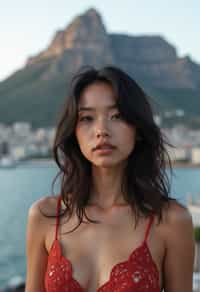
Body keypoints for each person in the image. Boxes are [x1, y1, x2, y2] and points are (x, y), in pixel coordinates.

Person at [25, 66, 195, 292]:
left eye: (117, 116)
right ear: (73, 132)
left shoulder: (172, 221)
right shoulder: (45, 216)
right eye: (86, 118)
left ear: (138, 128)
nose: (101, 130)